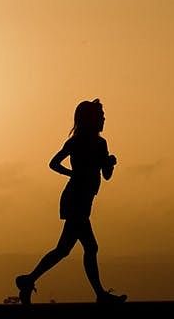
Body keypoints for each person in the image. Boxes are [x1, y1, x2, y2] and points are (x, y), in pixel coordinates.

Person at [15, 98, 127, 305]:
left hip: (85, 200)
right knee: (90, 247)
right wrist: (74, 175)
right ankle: (101, 295)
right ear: (90, 119)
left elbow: (106, 175)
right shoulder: (76, 142)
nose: (104, 120)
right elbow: (54, 163)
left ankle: (28, 280)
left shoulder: (101, 144)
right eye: (100, 116)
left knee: (64, 249)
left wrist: (110, 163)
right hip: (75, 199)